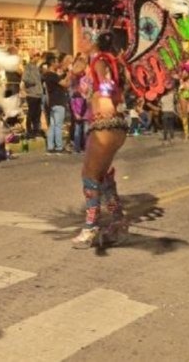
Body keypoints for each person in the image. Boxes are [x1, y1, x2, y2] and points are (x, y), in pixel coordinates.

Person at [72, 31, 129, 248]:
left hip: (104, 123)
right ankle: (118, 222)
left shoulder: (100, 60)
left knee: (89, 175)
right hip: (112, 125)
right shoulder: (104, 60)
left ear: (93, 40)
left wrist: (104, 100)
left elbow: (107, 84)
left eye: (84, 38)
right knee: (102, 176)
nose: (80, 42)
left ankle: (90, 228)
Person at [43, 54, 69, 154]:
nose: (58, 63)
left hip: (52, 102)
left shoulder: (46, 75)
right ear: (52, 63)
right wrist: (69, 75)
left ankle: (50, 146)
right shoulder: (52, 75)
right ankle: (59, 147)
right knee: (58, 125)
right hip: (58, 101)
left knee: (52, 125)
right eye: (56, 62)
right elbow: (64, 84)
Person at [22, 52, 44, 139]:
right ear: (33, 57)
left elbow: (40, 78)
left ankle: (36, 130)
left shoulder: (37, 67)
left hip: (38, 94)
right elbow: (25, 79)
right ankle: (29, 130)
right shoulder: (28, 67)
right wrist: (34, 82)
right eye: (37, 57)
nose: (38, 59)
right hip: (32, 94)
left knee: (37, 113)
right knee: (31, 113)